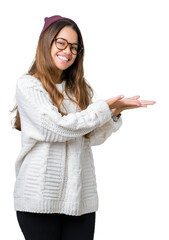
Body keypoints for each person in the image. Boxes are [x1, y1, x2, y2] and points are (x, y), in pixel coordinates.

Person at [11, 15, 156, 240]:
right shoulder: (29, 84)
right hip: (39, 201)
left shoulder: (77, 88)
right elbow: (56, 128)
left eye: (74, 47)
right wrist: (102, 108)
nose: (68, 51)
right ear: (46, 42)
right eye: (61, 43)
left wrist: (114, 112)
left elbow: (89, 137)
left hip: (80, 202)